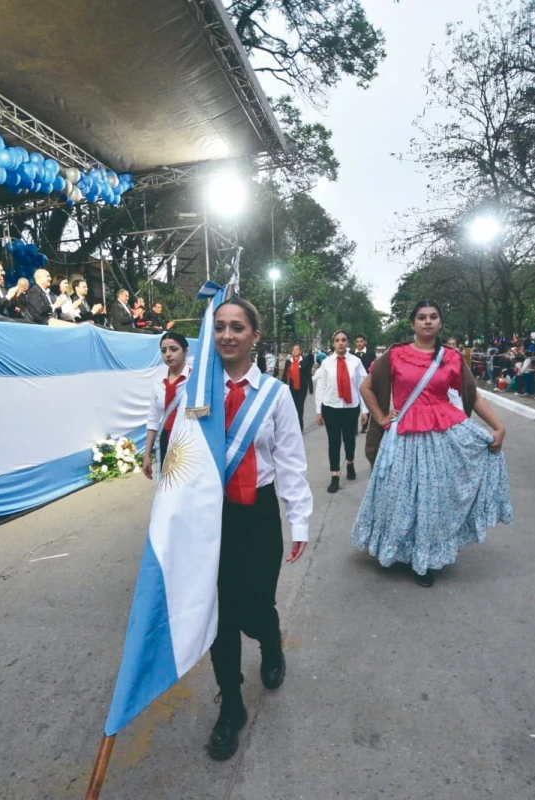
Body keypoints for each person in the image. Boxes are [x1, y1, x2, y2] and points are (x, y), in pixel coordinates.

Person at [205, 297, 312, 762]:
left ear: (254, 335)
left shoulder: (275, 394)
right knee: (220, 617)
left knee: (254, 608)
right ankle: (231, 703)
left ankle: (270, 642)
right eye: (220, 327)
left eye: (237, 327)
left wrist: (299, 519)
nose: (227, 335)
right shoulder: (197, 390)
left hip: (258, 513)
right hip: (210, 519)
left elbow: (289, 460)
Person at [350, 301, 511, 587]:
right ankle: (395, 548)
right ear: (412, 324)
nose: (427, 322)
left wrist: (498, 427)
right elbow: (366, 387)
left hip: (442, 438)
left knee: (432, 499)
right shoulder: (395, 355)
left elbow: (472, 395)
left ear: (440, 322)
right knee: (398, 495)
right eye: (421, 318)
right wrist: (382, 417)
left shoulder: (451, 358)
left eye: (433, 317)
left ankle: (423, 559)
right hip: (405, 435)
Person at [314, 330, 369, 492]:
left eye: (343, 340)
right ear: (333, 343)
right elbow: (321, 387)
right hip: (331, 407)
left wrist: (364, 410)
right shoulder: (327, 363)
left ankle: (350, 463)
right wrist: (318, 410)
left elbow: (362, 387)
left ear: (348, 342)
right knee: (334, 441)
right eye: (337, 340)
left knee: (349, 439)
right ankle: (335, 476)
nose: (340, 343)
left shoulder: (356, 363)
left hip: (350, 408)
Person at [142, 331, 189, 478]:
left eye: (174, 349)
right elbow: (153, 419)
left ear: (185, 352)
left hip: (188, 442)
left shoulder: (195, 380)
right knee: (167, 486)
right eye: (164, 351)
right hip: (165, 440)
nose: (168, 354)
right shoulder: (158, 383)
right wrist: (147, 455)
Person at [281, 344, 313, 429]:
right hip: (292, 387)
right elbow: (285, 375)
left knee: (299, 407)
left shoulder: (305, 361)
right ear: (292, 351)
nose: (295, 351)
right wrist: (281, 387)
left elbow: (308, 375)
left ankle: (300, 427)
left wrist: (311, 386)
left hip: (302, 388)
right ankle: (293, 426)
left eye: (297, 349)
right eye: (294, 349)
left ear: (300, 351)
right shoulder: (289, 362)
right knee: (293, 407)